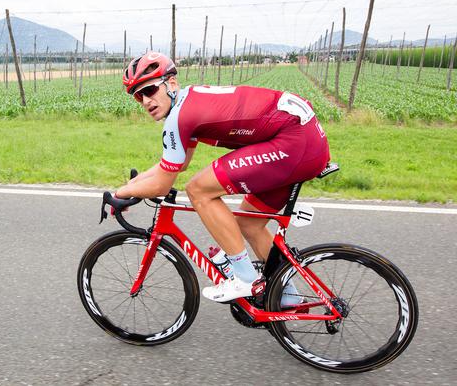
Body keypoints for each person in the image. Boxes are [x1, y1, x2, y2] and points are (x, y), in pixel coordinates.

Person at [113, 52, 330, 303]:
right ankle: (288, 297)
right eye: (138, 96)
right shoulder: (187, 102)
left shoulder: (179, 117)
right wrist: (133, 185)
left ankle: (244, 278)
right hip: (303, 139)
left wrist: (121, 194)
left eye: (149, 90)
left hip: (293, 141)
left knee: (198, 190)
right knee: (249, 223)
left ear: (171, 84)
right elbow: (176, 165)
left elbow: (163, 184)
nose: (145, 101)